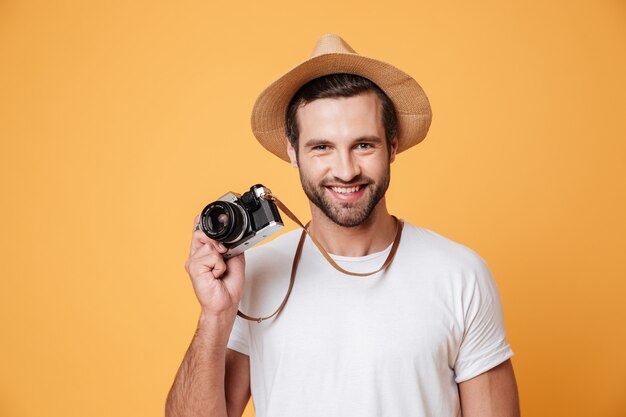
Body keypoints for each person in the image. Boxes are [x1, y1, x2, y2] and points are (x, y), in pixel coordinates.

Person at [166, 34, 520, 417]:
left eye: (364, 145)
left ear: (394, 145)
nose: (346, 170)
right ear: (293, 152)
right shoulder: (255, 274)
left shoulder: (460, 275)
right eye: (322, 147)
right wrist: (215, 316)